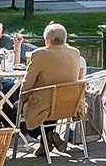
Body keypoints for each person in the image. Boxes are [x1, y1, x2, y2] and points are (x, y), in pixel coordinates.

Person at [19, 22, 83, 157]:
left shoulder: (40, 54)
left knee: (16, 107)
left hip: (46, 105)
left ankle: (46, 136)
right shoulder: (75, 52)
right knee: (51, 100)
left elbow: (27, 83)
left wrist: (22, 97)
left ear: (47, 40)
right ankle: (47, 139)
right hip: (69, 104)